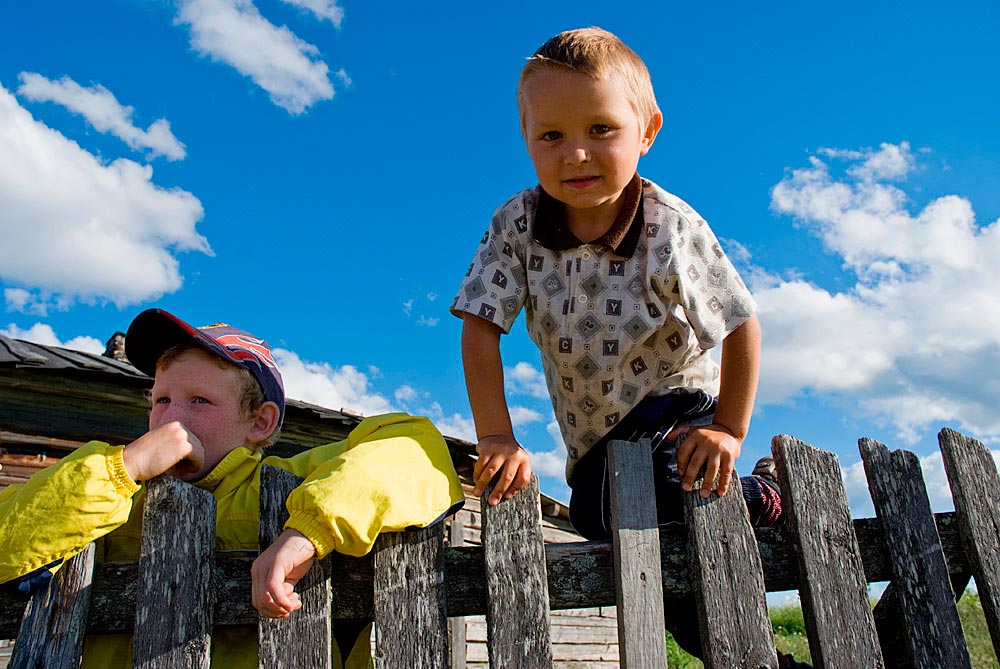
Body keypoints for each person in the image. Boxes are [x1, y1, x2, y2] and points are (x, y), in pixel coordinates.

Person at [450, 27, 803, 667]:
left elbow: (740, 321)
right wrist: (496, 436)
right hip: (594, 443)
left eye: (601, 130)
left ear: (646, 131)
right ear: (526, 140)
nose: (576, 153)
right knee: (606, 530)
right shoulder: (518, 224)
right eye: (551, 135)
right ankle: (760, 661)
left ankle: (761, 494)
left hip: (676, 411)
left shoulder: (670, 224)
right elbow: (479, 325)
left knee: (675, 488)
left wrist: (728, 426)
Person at [0, 308, 465, 668]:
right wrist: (125, 467)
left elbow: (414, 445)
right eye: (161, 400)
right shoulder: (109, 487)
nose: (172, 417)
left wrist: (310, 530)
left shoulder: (289, 481)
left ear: (259, 423)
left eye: (199, 400)